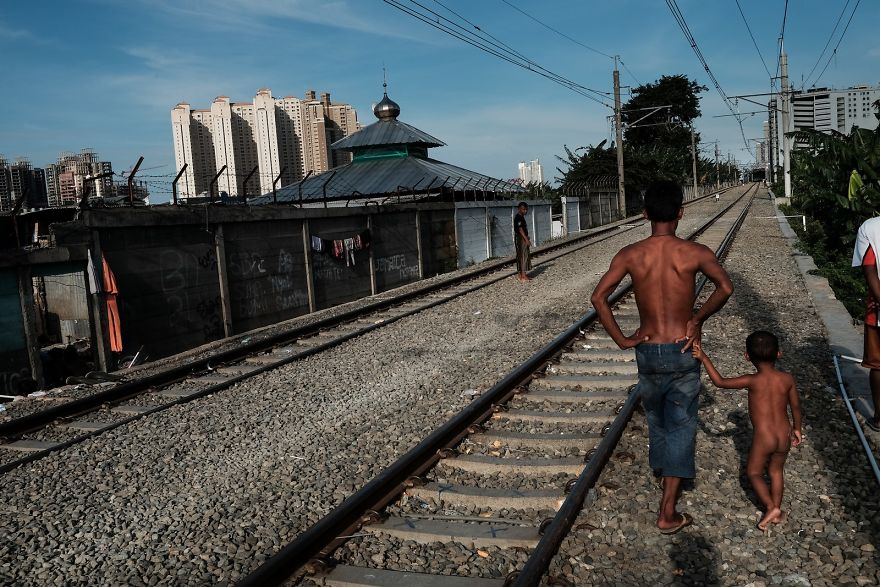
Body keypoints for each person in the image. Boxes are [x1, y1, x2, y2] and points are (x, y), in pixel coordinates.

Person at [590, 180, 734, 534]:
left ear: (645, 214)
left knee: (657, 418)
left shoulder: (630, 254)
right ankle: (668, 510)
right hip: (682, 348)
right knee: (682, 423)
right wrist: (697, 318)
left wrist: (624, 340)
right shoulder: (695, 253)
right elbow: (725, 287)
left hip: (648, 349)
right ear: (681, 213)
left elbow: (598, 298)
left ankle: (664, 473)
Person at [692, 332, 802, 531]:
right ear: (779, 354)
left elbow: (720, 382)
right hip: (783, 434)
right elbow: (795, 406)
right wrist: (797, 429)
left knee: (753, 472)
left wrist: (703, 357)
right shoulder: (787, 379)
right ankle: (777, 509)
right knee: (776, 471)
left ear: (747, 356)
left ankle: (770, 507)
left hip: (764, 436)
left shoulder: (752, 381)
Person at [852, 216, 880, 431]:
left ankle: (879, 417)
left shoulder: (870, 227)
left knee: (878, 364)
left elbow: (869, 268)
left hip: (877, 312)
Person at [514, 201, 532, 282]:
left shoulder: (520, 217)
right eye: (523, 209)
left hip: (521, 238)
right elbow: (520, 229)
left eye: (526, 209)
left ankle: (521, 275)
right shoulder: (518, 217)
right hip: (521, 238)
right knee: (523, 257)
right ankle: (523, 276)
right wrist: (526, 239)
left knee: (521, 256)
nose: (525, 211)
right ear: (519, 209)